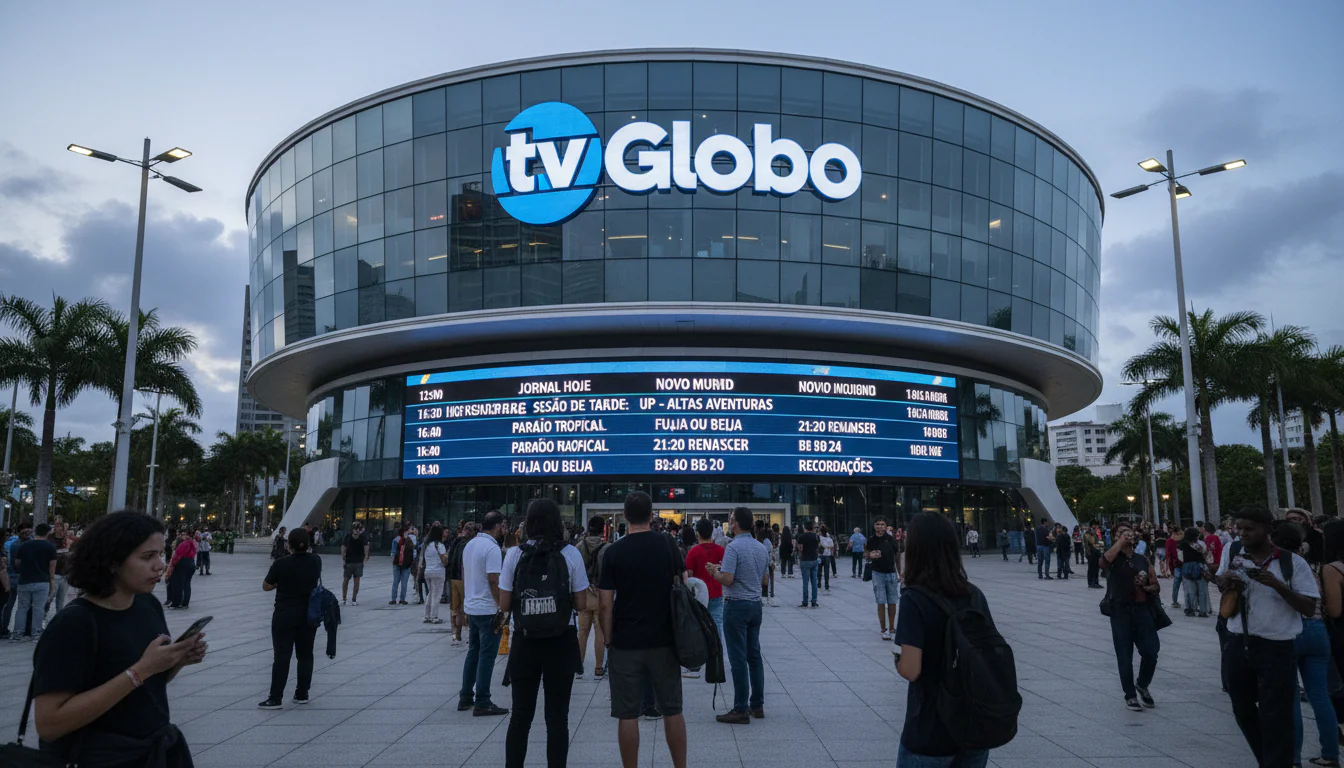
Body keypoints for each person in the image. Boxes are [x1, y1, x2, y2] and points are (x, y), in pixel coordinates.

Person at [32, 511, 206, 766]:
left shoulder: (147, 604)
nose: (160, 565)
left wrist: (176, 660)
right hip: (99, 757)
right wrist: (141, 669)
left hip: (152, 754)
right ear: (112, 561)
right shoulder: (74, 624)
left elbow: (147, 684)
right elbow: (49, 724)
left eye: (160, 554)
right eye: (147, 556)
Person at [894, 512, 997, 767]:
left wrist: (898, 661)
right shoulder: (974, 594)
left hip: (930, 730)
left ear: (916, 550)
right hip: (974, 729)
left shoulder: (914, 599)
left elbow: (911, 670)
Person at [1216, 507, 1317, 767]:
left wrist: (1277, 585)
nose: (1242, 533)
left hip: (1277, 646)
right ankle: (1268, 760)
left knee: (1276, 715)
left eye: (1249, 529)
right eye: (1239, 528)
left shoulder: (1292, 563)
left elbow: (1308, 608)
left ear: (1267, 530)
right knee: (1242, 709)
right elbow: (1222, 585)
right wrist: (1226, 582)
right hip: (1238, 641)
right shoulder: (1235, 554)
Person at [597, 491, 688, 768]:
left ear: (625, 516)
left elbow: (605, 604)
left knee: (627, 714)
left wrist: (608, 637)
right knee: (672, 709)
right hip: (665, 639)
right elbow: (684, 584)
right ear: (651, 515)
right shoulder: (668, 545)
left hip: (626, 641)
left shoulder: (613, 552)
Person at [499, 499, 589, 768]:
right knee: (558, 719)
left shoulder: (514, 554)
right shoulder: (570, 554)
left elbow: (504, 604)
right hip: (561, 641)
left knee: (520, 717)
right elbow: (581, 603)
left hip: (525, 641)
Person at [1273, 522, 1339, 768]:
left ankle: (1293, 759)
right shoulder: (1313, 567)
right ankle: (1330, 754)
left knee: (1290, 698)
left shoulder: (1278, 567)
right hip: (1318, 629)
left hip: (1291, 630)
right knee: (1319, 695)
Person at [708, 506, 770, 724]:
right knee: (754, 655)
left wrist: (714, 572)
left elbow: (728, 579)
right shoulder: (761, 547)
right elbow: (765, 580)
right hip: (755, 605)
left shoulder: (733, 547)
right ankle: (757, 704)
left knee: (737, 658)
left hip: (736, 606)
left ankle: (740, 708)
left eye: (731, 519)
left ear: (734, 524)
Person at [259, 527, 322, 709]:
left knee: (282, 655)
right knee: (305, 654)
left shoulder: (281, 563)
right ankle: (302, 693)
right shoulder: (316, 560)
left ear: (289, 545)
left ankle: (275, 697)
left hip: (285, 614)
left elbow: (266, 585)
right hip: (308, 614)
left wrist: (280, 583)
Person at [1100, 521, 1160, 711]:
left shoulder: (1143, 559)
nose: (1127, 534)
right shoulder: (1112, 558)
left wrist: (1146, 586)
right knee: (1124, 655)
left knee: (1151, 651)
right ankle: (1130, 695)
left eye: (1129, 532)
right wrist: (1120, 543)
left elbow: (1156, 585)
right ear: (1115, 537)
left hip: (1142, 610)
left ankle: (1142, 684)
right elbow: (1103, 562)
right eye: (1121, 532)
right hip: (1120, 611)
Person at [459, 511, 508, 716]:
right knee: (487, 655)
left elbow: (465, 575)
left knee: (474, 651)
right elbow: (494, 580)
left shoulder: (470, 545)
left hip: (472, 606)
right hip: (488, 608)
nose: (504, 530)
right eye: (503, 526)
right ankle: (482, 700)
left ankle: (465, 696)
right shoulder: (492, 548)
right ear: (496, 527)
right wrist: (502, 606)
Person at [576, 516, 609, 679]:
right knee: (599, 631)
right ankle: (598, 667)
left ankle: (579, 666)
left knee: (582, 632)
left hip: (583, 594)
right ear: (603, 529)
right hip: (601, 594)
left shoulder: (579, 546)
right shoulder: (607, 548)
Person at [12, 522, 57, 641]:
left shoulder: (24, 545)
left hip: (24, 580)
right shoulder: (50, 547)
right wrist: (52, 583)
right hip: (42, 581)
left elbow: (17, 563)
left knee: (22, 607)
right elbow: (52, 567)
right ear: (47, 533)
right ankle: (36, 632)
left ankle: (17, 633)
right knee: (39, 608)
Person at [685, 517, 726, 635]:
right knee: (717, 624)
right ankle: (718, 645)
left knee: (700, 625)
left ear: (697, 533)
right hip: (717, 593)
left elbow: (689, 575)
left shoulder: (693, 552)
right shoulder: (721, 551)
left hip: (699, 595)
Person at [866, 518, 901, 640]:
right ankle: (883, 628)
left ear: (886, 526)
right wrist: (870, 555)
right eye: (877, 524)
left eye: (882, 524)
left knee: (892, 601)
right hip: (877, 573)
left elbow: (897, 555)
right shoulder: (871, 540)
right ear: (874, 526)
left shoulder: (890, 539)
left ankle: (891, 627)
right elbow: (866, 553)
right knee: (881, 601)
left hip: (891, 573)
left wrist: (899, 572)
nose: (880, 526)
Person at [447, 521, 474, 645]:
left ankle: (455, 634)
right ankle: (468, 634)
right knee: (465, 608)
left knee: (454, 607)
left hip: (453, 578)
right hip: (464, 579)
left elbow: (450, 560)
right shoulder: (469, 544)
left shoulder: (456, 542)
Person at [1176, 528, 1210, 618]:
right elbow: (1205, 553)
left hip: (1187, 568)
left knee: (1190, 591)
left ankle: (1191, 609)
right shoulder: (1200, 545)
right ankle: (1203, 611)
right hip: (1199, 567)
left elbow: (1180, 557)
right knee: (1202, 591)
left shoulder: (1182, 544)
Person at [421, 525, 448, 624]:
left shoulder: (426, 545)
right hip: (438, 572)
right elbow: (444, 559)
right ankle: (434, 616)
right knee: (437, 595)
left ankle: (426, 615)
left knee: (430, 593)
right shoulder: (440, 545)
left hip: (428, 571)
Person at [164, 529, 197, 610]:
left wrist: (172, 565)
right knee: (186, 584)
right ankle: (185, 603)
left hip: (182, 564)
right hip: (191, 563)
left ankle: (176, 603)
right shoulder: (194, 543)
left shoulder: (184, 544)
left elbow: (178, 555)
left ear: (187, 535)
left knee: (177, 584)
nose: (180, 536)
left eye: (182, 534)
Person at [340, 521, 369, 606]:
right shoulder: (349, 537)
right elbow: (343, 547)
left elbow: (366, 547)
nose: (357, 530)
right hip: (351, 562)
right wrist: (344, 558)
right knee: (347, 581)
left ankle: (352, 599)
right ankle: (346, 599)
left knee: (354, 581)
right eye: (356, 528)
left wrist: (365, 557)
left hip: (356, 562)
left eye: (358, 529)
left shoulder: (360, 538)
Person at [387, 523, 415, 606]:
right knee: (404, 582)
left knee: (395, 581)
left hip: (397, 563)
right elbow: (413, 552)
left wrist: (394, 561)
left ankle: (393, 599)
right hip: (407, 564)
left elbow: (393, 552)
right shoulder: (410, 540)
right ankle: (402, 599)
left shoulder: (396, 539)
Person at [796, 520, 820, 608]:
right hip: (814, 559)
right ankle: (814, 601)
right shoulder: (816, 536)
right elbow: (818, 547)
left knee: (805, 582)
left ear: (805, 527)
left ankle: (805, 601)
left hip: (805, 559)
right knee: (814, 582)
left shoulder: (802, 536)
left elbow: (800, 548)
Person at [817, 525, 835, 592]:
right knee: (826, 571)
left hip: (820, 555)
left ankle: (819, 583)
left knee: (819, 570)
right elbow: (832, 548)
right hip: (827, 555)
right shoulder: (830, 539)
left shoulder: (819, 538)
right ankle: (826, 585)